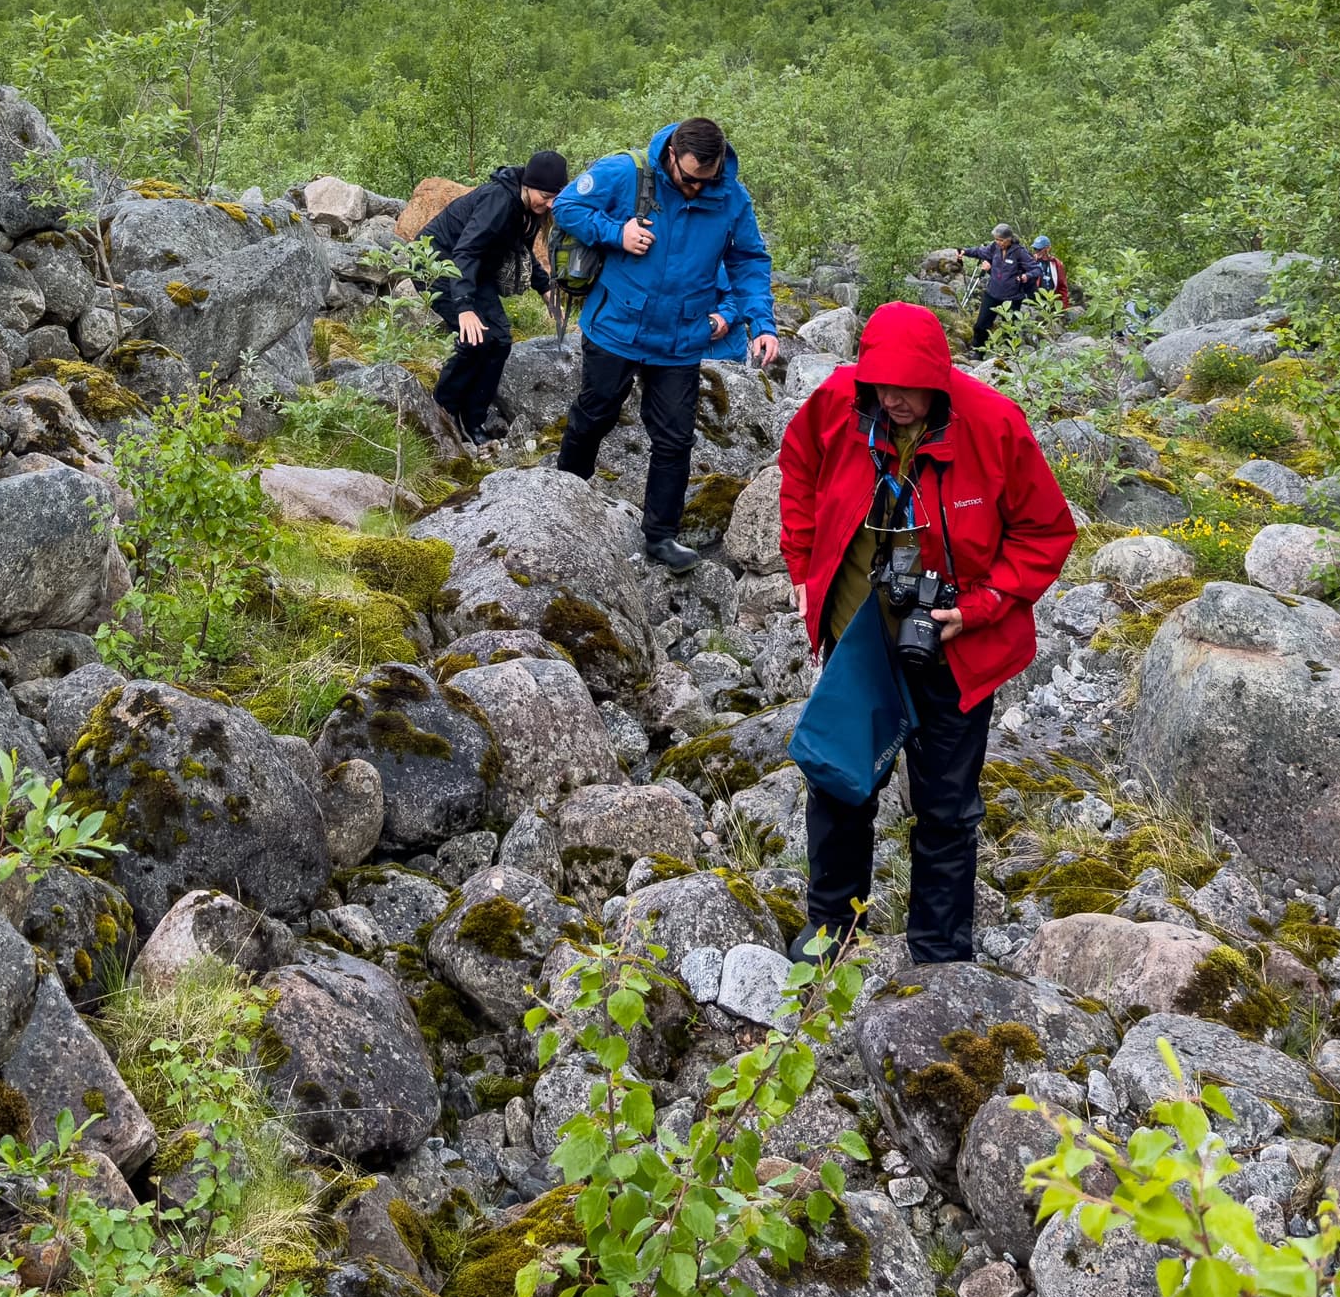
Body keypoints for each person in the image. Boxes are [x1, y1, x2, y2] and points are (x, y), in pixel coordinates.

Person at [776, 299, 1074, 961]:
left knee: (946, 808)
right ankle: (830, 930)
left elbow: (1046, 531)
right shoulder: (837, 403)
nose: (894, 401)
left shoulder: (994, 426)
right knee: (838, 781)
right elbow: (796, 469)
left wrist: (986, 603)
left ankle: (939, 952)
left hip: (957, 646)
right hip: (860, 639)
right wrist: (800, 560)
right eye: (882, 386)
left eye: (909, 389)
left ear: (938, 380)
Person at [552, 115, 779, 570]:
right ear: (672, 155)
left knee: (675, 438)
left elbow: (749, 259)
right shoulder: (626, 172)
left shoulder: (731, 196)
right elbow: (566, 207)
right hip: (616, 324)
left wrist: (763, 323)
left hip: (680, 336)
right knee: (593, 416)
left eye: (706, 180)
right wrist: (617, 233)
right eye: (689, 178)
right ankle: (564, 497)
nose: (696, 188)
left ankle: (660, 536)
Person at [425, 147, 568, 446]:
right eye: (546, 195)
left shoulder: (528, 209)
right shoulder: (499, 202)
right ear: (528, 185)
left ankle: (472, 417)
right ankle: (443, 408)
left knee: (500, 340)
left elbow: (521, 251)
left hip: (475, 270)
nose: (551, 203)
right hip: (437, 263)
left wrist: (546, 291)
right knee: (476, 340)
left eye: (556, 196)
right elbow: (465, 251)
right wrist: (464, 307)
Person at [962, 223, 1042, 350]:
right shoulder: (994, 248)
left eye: (1001, 240)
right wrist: (964, 251)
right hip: (992, 293)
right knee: (981, 325)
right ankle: (978, 351)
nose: (998, 242)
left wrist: (1027, 276)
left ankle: (1009, 354)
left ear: (1009, 238)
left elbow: (1037, 269)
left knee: (1010, 328)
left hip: (1012, 297)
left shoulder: (1019, 252)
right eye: (996, 239)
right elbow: (979, 251)